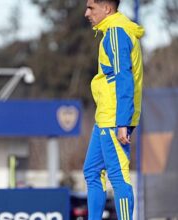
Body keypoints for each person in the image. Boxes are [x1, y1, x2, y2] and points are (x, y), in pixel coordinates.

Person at [83, 0, 144, 219]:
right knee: (91, 171)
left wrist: (122, 123)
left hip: (114, 117)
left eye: (91, 8)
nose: (86, 13)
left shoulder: (116, 33)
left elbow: (124, 79)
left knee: (118, 176)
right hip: (104, 117)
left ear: (107, 9)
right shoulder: (111, 32)